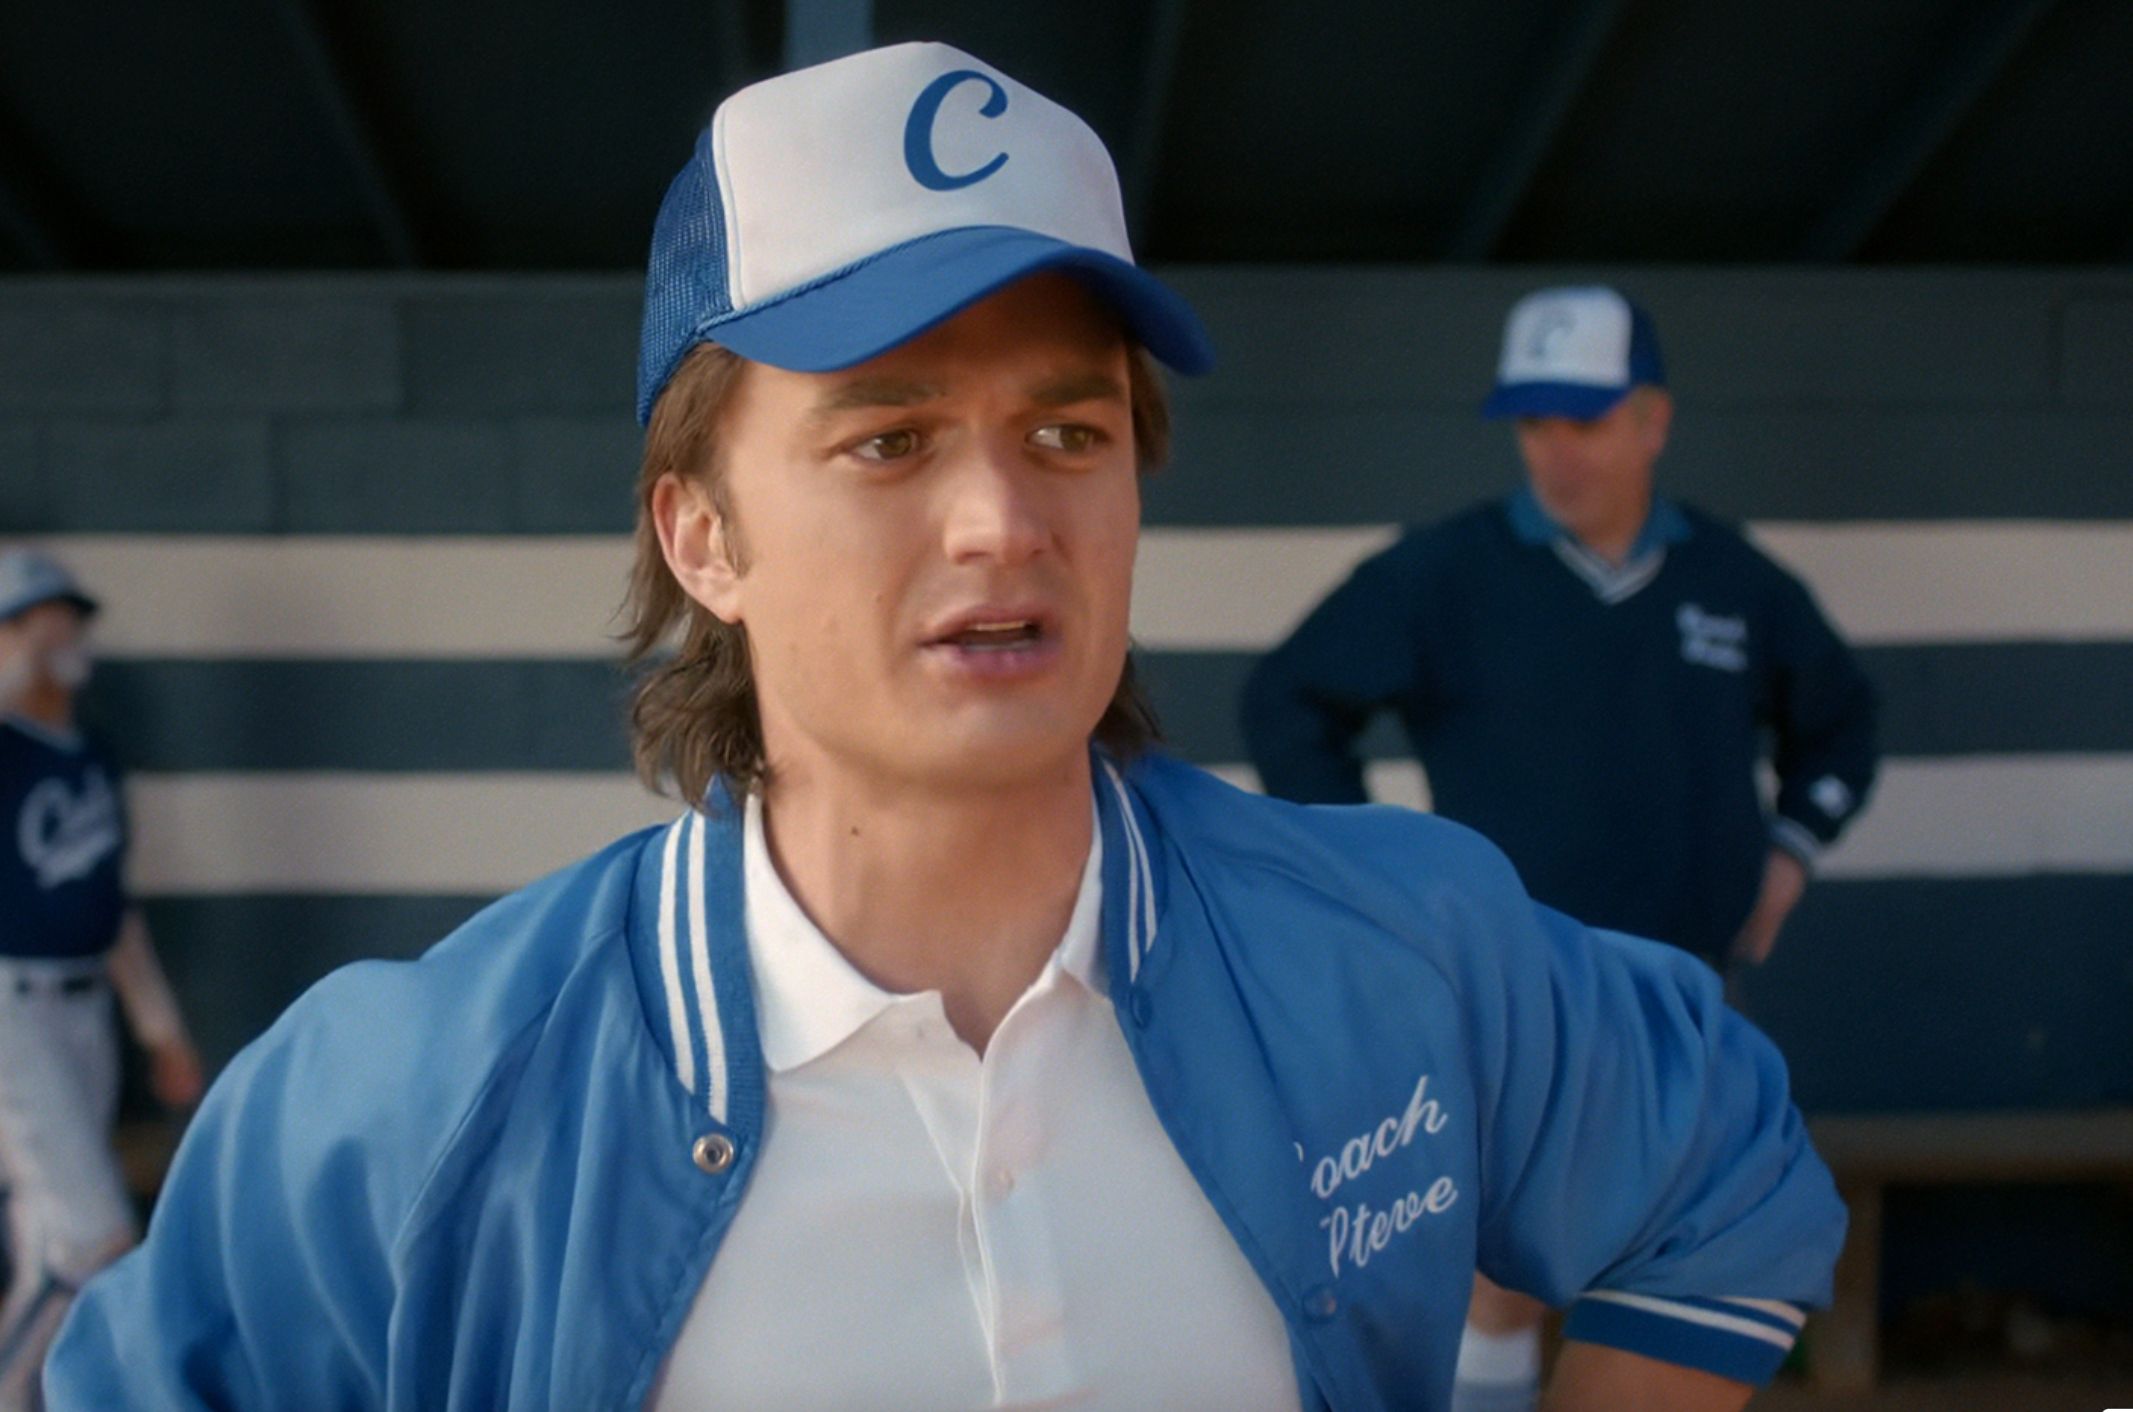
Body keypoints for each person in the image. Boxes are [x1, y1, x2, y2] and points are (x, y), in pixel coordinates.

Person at [49, 46, 1844, 1412]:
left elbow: (1721, 1176)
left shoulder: (1407, 945)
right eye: (886, 438)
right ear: (703, 533)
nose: (1002, 519)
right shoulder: (402, 1101)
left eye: (1066, 432)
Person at [1241, 285, 1879, 1410]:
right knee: (1497, 1272)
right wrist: (1366, 881)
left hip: (1690, 997)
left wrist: (1791, 848)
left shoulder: (1732, 579)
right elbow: (1287, 699)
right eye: (1535, 423)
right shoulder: (1445, 575)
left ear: (1653, 421)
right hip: (1514, 992)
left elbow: (1843, 719)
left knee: (1675, 1260)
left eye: (1584, 421)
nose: (1557, 451)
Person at [0, 549, 203, 1412]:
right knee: (94, 1237)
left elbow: (112, 904)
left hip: (80, 1005)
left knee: (53, 1238)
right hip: (10, 1002)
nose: (62, 633)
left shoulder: (89, 754)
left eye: (68, 615)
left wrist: (160, 1030)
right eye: (36, 618)